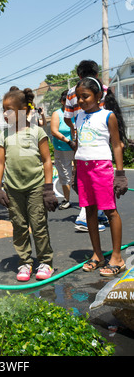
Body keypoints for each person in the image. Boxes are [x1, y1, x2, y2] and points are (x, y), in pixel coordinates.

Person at [0, 86, 57, 282]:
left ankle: (45, 262)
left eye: (9, 110)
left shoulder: (37, 132)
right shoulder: (5, 135)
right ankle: (24, 262)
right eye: (3, 109)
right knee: (19, 226)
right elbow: (0, 162)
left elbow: (47, 160)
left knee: (38, 225)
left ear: (23, 111)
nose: (5, 113)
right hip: (13, 190)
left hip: (36, 188)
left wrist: (48, 189)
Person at [74, 76, 128, 276]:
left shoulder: (108, 115)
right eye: (78, 97)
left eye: (85, 96)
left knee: (110, 211)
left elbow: (116, 145)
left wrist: (120, 174)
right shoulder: (78, 117)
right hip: (83, 168)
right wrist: (74, 171)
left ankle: (117, 257)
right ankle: (98, 255)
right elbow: (79, 145)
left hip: (100, 168)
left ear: (98, 96)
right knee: (89, 210)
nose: (81, 101)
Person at [64, 60, 108, 231]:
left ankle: (98, 212)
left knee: (84, 176)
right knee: (99, 179)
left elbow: (67, 117)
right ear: (97, 74)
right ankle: (85, 215)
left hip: (82, 140)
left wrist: (75, 129)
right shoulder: (102, 90)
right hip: (100, 141)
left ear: (79, 75)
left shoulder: (71, 92)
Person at [50, 90, 75, 209]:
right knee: (65, 174)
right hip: (62, 148)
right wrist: (69, 141)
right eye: (66, 100)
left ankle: (87, 201)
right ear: (62, 101)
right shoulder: (57, 114)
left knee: (80, 174)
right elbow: (54, 131)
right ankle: (67, 199)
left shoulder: (76, 113)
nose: (68, 103)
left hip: (76, 148)